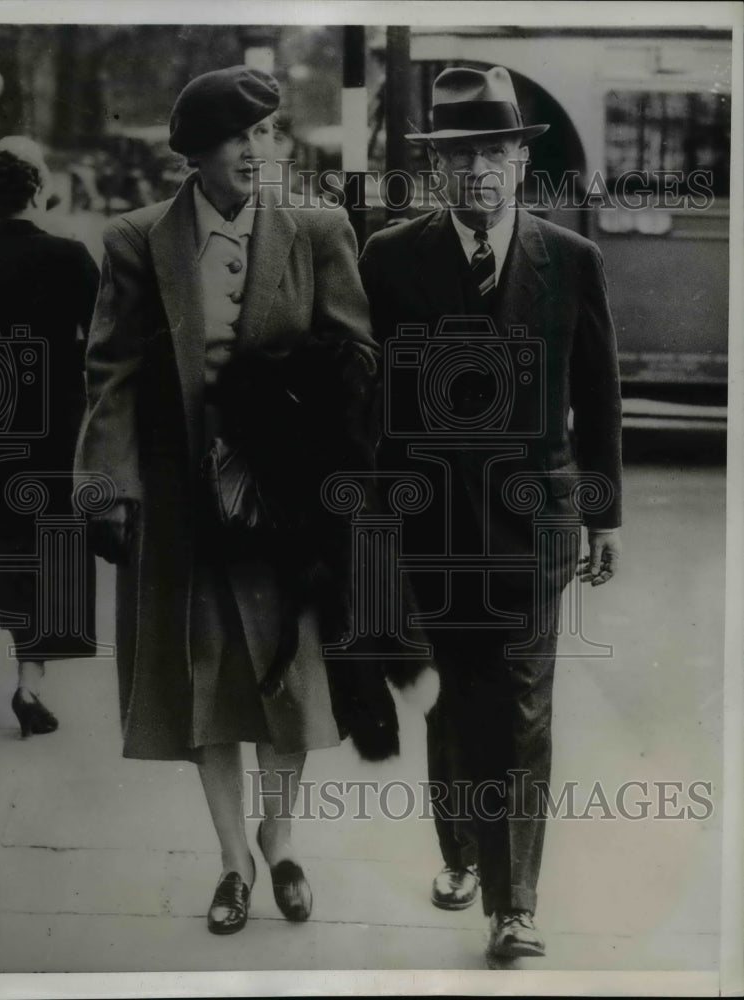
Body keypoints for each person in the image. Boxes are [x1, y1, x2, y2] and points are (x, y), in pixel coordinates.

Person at [74, 66, 378, 935]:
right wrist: (105, 491)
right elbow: (112, 375)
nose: (256, 151)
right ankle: (231, 862)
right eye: (238, 138)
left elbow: (359, 358)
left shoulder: (319, 229)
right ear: (198, 152)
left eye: (267, 134)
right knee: (208, 681)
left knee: (288, 678)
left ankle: (281, 845)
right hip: (184, 507)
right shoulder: (138, 238)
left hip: (288, 506)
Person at [359, 66, 623, 961]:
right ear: (436, 168)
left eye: (492, 152)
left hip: (530, 521)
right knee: (452, 704)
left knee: (519, 706)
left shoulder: (569, 259)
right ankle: (461, 850)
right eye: (458, 155)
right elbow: (375, 404)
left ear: (519, 159)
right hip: (427, 522)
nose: (477, 170)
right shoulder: (389, 258)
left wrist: (602, 512)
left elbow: (599, 392)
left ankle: (514, 906)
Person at [0, 139, 100, 737]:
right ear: (38, 188)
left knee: (2, 544)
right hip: (56, 427)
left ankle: (22, 662)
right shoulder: (67, 255)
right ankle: (30, 680)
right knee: (53, 548)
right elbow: (108, 335)